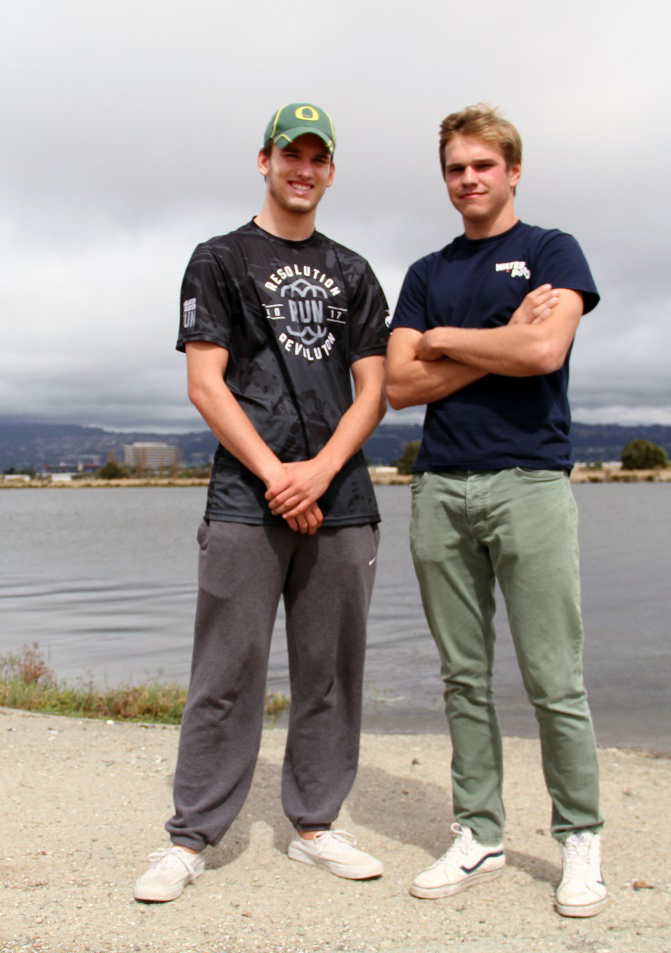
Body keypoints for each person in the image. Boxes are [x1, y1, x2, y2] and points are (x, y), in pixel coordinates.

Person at [134, 102, 391, 903]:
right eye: (291, 154)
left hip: (341, 500)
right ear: (264, 160)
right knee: (225, 670)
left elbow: (373, 390)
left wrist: (316, 473)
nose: (302, 168)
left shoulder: (353, 270)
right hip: (246, 500)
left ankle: (314, 824)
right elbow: (204, 383)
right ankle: (190, 837)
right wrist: (278, 474)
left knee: (329, 673)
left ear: (331, 170)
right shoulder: (218, 259)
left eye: (317, 157)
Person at [384, 104, 607, 918]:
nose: (468, 179)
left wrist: (442, 340)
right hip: (440, 487)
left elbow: (544, 351)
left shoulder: (552, 251)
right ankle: (477, 831)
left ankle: (579, 837)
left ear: (512, 171)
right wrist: (489, 338)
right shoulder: (425, 271)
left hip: (530, 484)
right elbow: (399, 389)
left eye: (482, 165)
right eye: (454, 168)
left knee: (554, 677)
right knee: (462, 678)